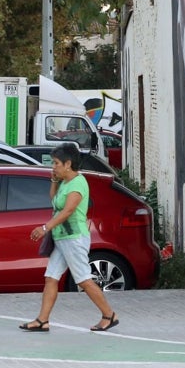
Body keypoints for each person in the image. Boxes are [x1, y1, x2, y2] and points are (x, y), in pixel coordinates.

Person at [19, 141, 118, 333]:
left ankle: (109, 315)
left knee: (83, 279)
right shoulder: (64, 182)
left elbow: (67, 211)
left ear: (68, 164)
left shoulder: (78, 183)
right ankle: (42, 320)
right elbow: (54, 201)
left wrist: (44, 228)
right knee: (51, 277)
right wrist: (54, 180)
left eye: (56, 163)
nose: (53, 166)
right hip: (62, 239)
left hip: (74, 238)